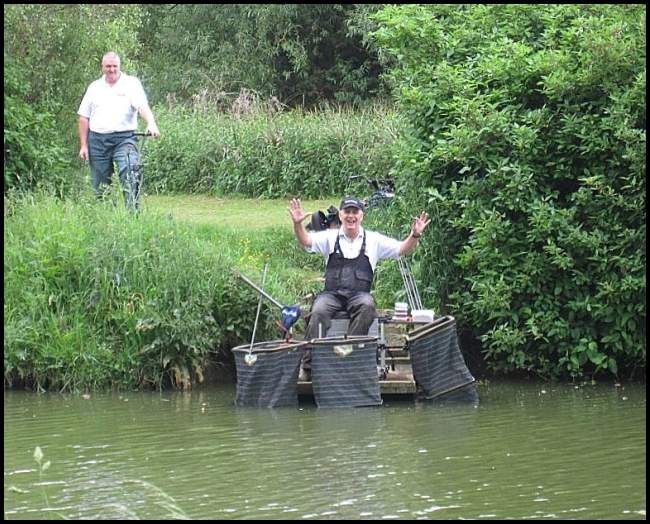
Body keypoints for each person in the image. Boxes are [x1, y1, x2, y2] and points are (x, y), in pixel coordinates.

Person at [289, 195, 431, 346]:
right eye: (347, 211)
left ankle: (350, 350)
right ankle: (311, 361)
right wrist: (298, 224)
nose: (351, 216)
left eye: (355, 212)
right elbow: (305, 240)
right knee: (318, 310)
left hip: (359, 296)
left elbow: (401, 249)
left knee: (368, 306)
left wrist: (415, 235)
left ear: (361, 215)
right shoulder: (330, 237)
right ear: (340, 215)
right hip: (332, 296)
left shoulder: (374, 240)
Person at [78, 51, 160, 210]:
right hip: (97, 141)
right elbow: (83, 117)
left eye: (114, 66)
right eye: (108, 66)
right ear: (102, 67)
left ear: (120, 66)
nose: (112, 70)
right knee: (100, 185)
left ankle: (133, 216)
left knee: (130, 170)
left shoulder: (131, 84)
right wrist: (83, 145)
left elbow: (142, 106)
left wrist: (151, 122)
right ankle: (106, 221)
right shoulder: (94, 87)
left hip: (125, 139)